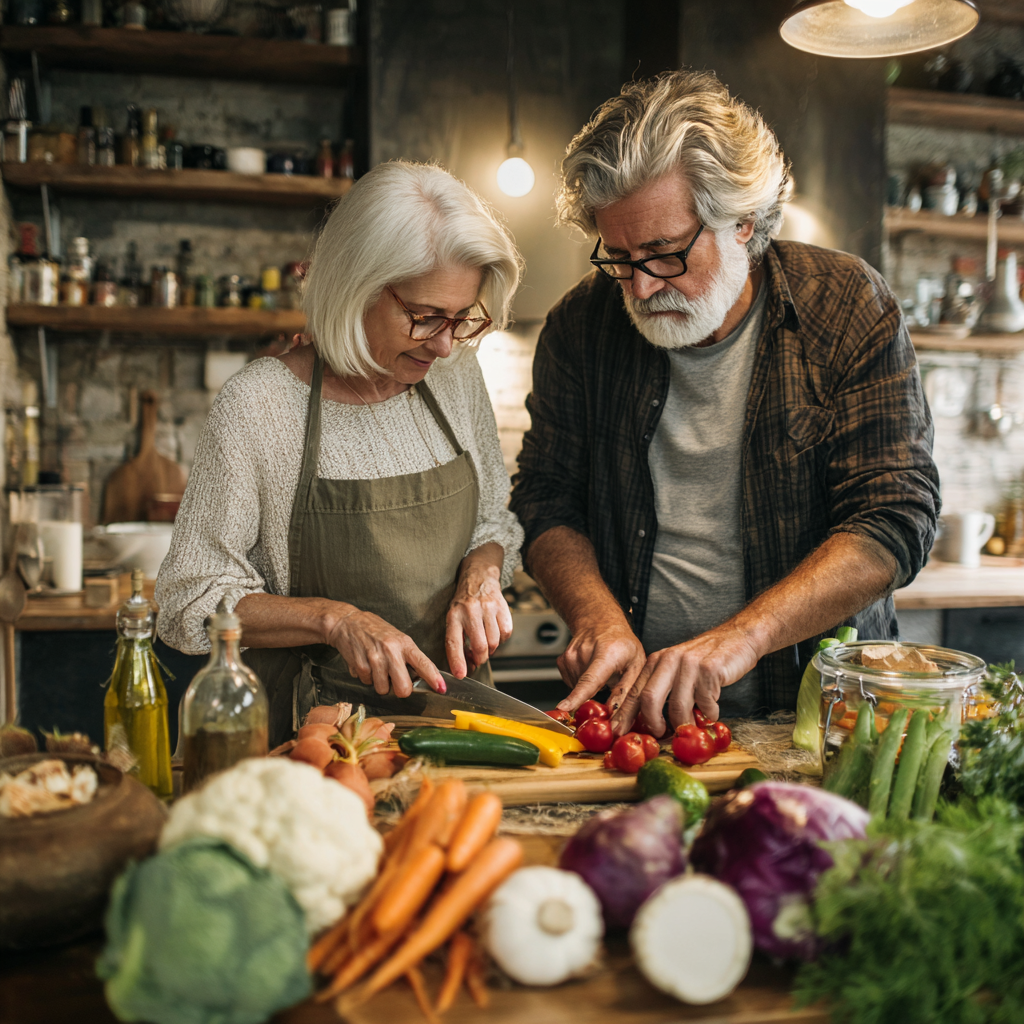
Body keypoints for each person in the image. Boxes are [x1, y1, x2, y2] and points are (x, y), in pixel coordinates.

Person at [509, 71, 940, 738]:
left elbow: (895, 517)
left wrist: (744, 636)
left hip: (822, 719)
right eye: (619, 257)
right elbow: (545, 497)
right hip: (643, 718)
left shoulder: (848, 304)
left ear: (743, 222)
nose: (641, 288)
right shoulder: (580, 327)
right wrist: (595, 616)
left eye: (665, 253)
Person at [156, 161, 525, 745]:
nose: (445, 343)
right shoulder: (260, 405)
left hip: (457, 726)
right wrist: (334, 620)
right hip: (313, 741)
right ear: (356, 286)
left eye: (462, 319)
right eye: (425, 317)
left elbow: (492, 518)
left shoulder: (454, 376)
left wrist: (482, 573)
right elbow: (188, 601)